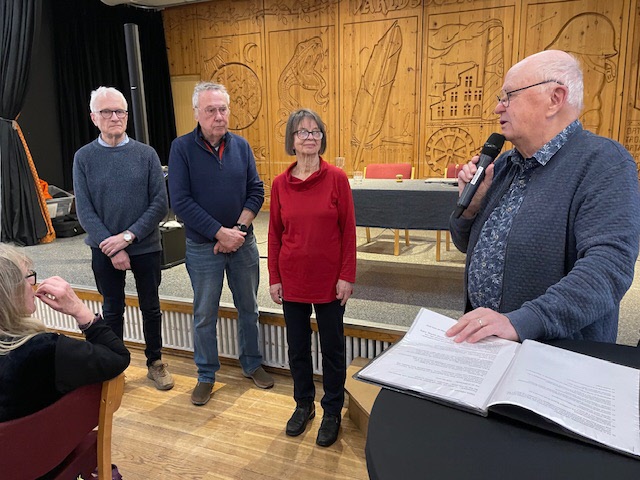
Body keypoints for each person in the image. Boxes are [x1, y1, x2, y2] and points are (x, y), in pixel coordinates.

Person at [447, 50, 640, 345]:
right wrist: (471, 208)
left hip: (557, 351)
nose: (498, 108)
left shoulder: (603, 162)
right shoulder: (504, 165)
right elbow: (465, 245)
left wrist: (524, 321)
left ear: (555, 99)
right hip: (489, 344)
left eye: (509, 96)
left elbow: (608, 269)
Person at [168, 82, 274, 407]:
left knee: (249, 308)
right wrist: (219, 233)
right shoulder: (181, 148)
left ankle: (252, 364)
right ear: (197, 113)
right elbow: (181, 202)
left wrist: (237, 230)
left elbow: (256, 191)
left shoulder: (241, 146)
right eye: (211, 110)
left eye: (223, 109)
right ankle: (206, 375)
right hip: (203, 248)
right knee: (204, 314)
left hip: (243, 243)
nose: (218, 116)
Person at [73, 86, 174, 390]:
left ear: (127, 116)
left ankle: (155, 362)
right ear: (94, 117)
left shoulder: (146, 154)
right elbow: (85, 210)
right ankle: (113, 366)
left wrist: (127, 238)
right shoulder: (83, 158)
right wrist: (112, 246)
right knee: (112, 309)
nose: (114, 117)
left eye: (120, 111)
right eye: (107, 111)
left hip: (145, 246)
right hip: (104, 248)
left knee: (151, 307)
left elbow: (159, 204)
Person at [268, 109, 356, 447]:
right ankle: (303, 405)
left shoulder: (337, 178)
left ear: (322, 138)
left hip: (330, 280)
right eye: (302, 132)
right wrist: (274, 277)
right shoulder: (280, 184)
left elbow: (348, 231)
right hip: (292, 278)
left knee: (332, 348)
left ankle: (332, 409)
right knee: (298, 348)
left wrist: (347, 275)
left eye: (315, 131)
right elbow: (274, 234)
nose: (310, 137)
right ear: (292, 140)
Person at [0, 244, 130, 422]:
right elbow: (118, 357)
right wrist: (79, 309)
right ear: (9, 292)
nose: (33, 284)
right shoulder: (42, 350)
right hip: (45, 438)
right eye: (28, 278)